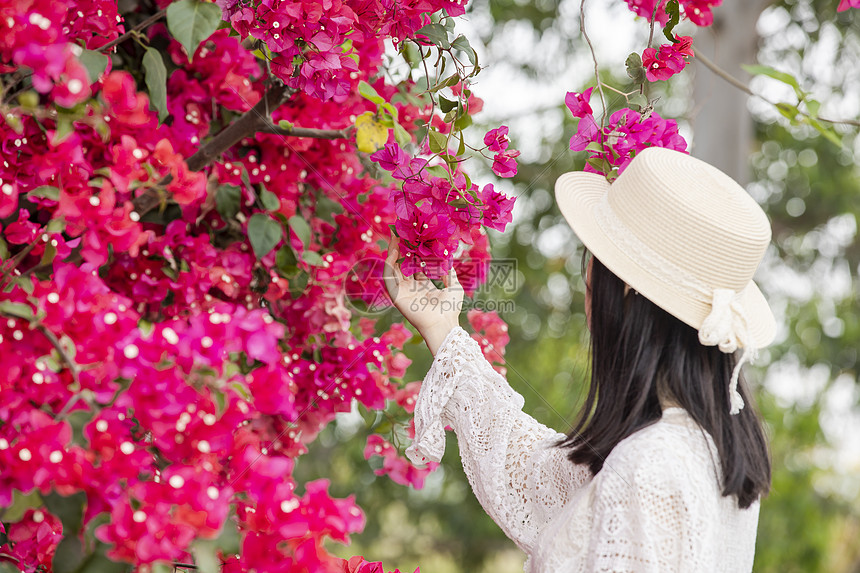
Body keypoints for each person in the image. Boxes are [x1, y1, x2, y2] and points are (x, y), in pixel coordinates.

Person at [383, 147, 776, 572]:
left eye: (594, 274)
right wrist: (444, 332)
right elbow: (535, 477)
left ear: (625, 294)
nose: (587, 296)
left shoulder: (649, 470)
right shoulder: (700, 449)